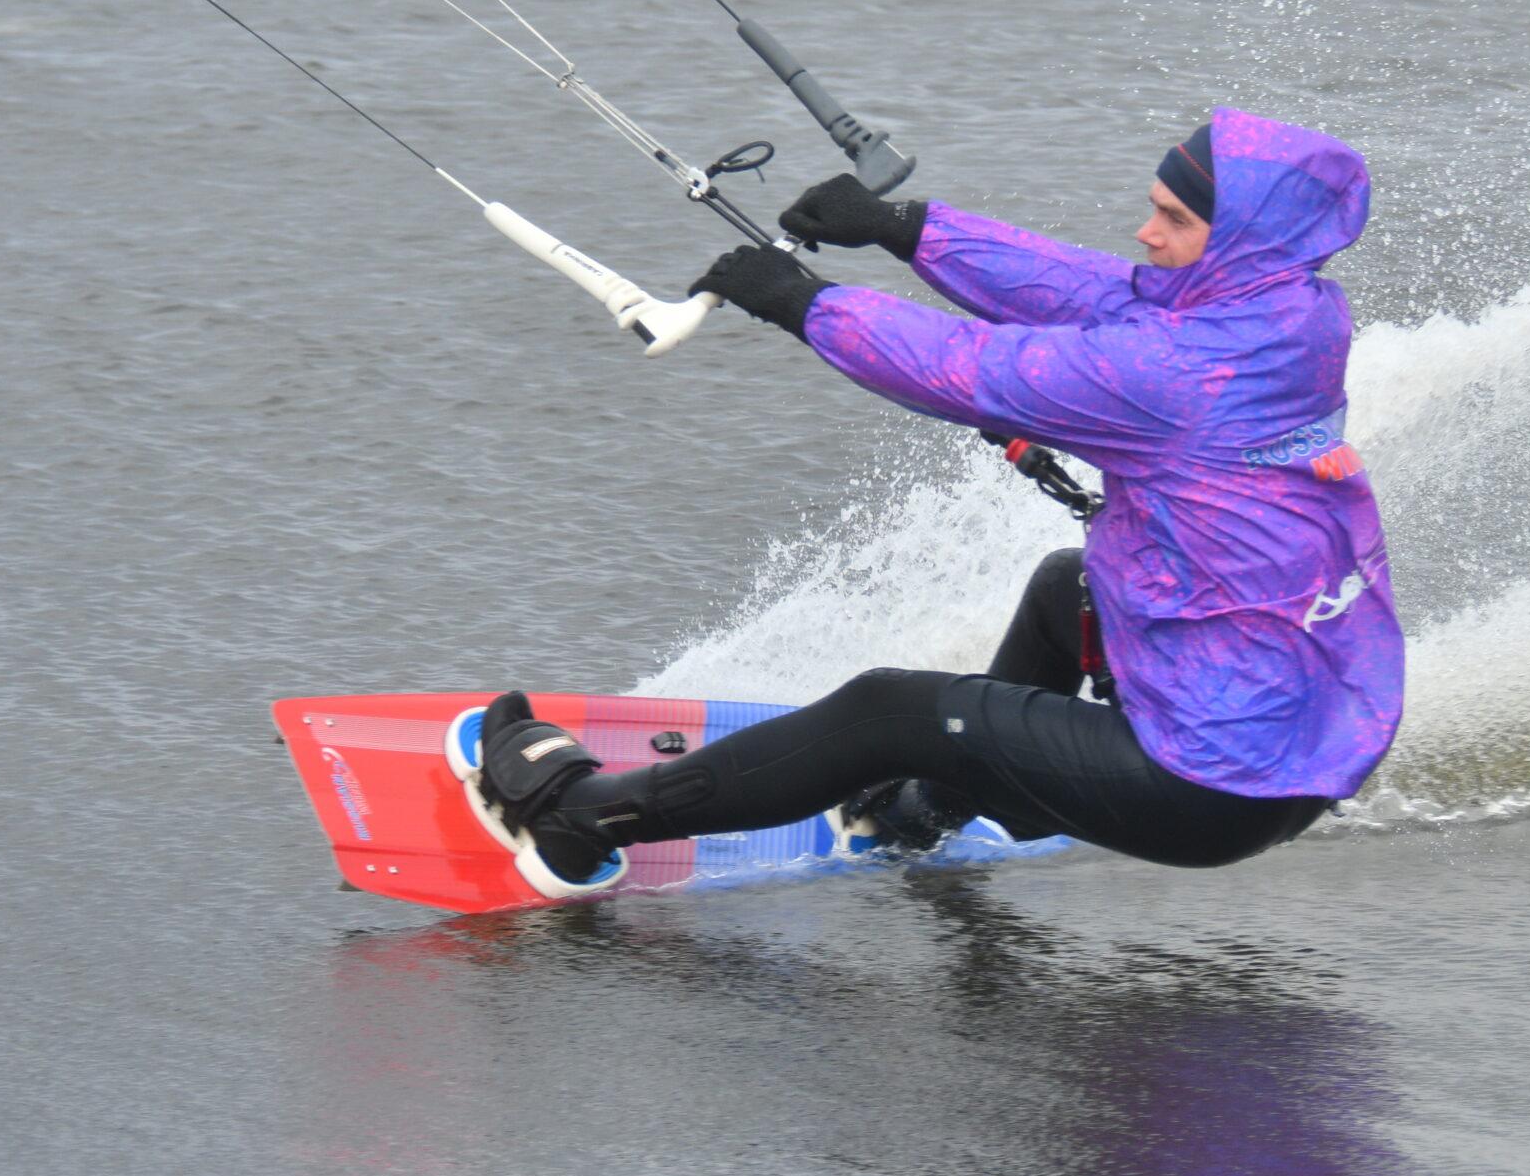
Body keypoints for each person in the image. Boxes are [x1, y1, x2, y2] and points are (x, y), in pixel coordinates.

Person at [464, 108, 1403, 897]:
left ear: (1234, 240)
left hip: (1205, 782)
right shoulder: (1294, 311)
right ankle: (935, 812)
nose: (1146, 232)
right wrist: (909, 227)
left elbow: (971, 369)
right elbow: (1099, 292)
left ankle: (578, 822)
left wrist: (801, 301)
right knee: (1065, 589)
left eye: (1173, 218)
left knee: (889, 714)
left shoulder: (1173, 371)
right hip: (1299, 738)